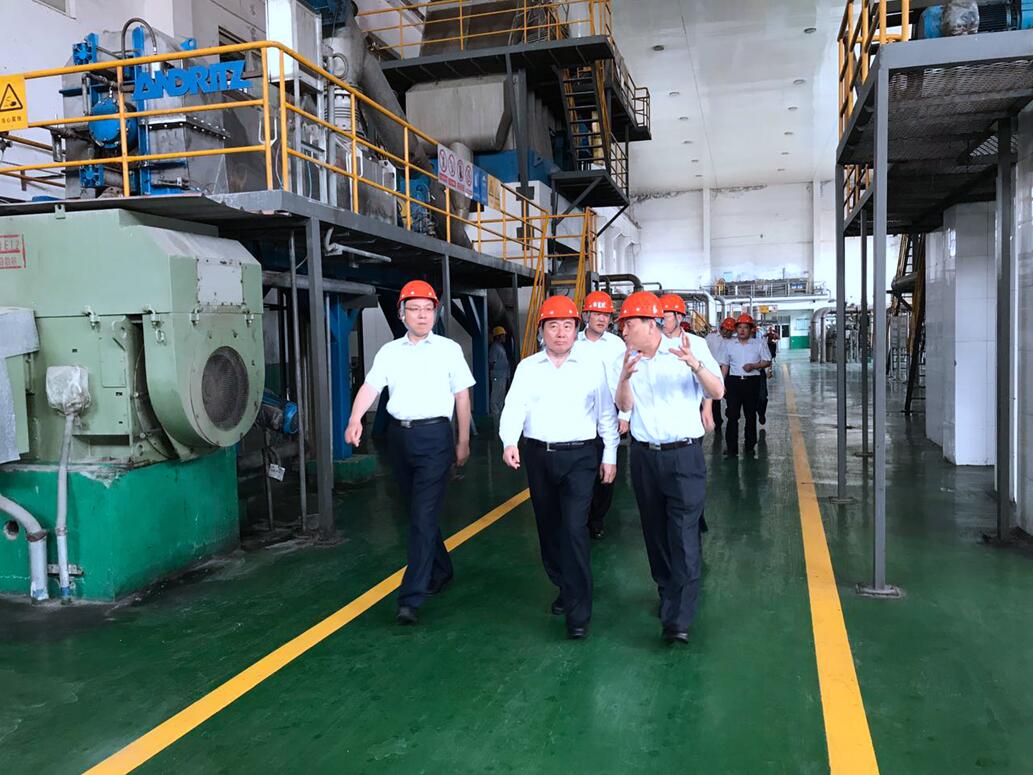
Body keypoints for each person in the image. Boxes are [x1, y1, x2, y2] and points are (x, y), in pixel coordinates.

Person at [345, 280, 475, 626]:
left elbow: (462, 396)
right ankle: (442, 569)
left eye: (428, 309)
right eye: (414, 309)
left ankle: (411, 597)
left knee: (422, 515)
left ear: (435, 313)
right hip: (399, 440)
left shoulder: (448, 350)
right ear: (402, 314)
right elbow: (370, 386)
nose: (422, 315)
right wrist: (355, 418)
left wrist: (462, 440)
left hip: (435, 438)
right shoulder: (390, 352)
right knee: (416, 512)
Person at [500, 295, 618, 640]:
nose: (561, 333)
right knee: (548, 528)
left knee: (574, 528)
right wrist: (509, 441)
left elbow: (606, 414)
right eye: (553, 326)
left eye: (567, 326)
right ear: (542, 330)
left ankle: (579, 612)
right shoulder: (528, 368)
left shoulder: (591, 367)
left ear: (576, 329)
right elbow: (514, 406)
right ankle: (564, 586)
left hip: (580, 457)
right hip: (538, 456)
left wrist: (610, 455)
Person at [613, 291, 724, 644]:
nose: (624, 331)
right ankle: (667, 592)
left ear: (651, 324)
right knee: (655, 533)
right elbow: (623, 406)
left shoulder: (689, 348)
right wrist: (624, 379)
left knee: (683, 533)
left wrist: (695, 366)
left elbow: (717, 391)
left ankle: (680, 618)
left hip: (684, 458)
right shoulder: (626, 358)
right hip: (644, 458)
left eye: (629, 324)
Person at [573, 290, 627, 540]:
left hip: (610, 412)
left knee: (607, 468)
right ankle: (581, 518)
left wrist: (625, 414)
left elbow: (626, 380)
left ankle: (597, 519)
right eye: (597, 314)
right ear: (586, 315)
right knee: (582, 467)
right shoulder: (573, 343)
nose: (602, 319)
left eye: (606, 315)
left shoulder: (617, 345)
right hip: (580, 412)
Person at [721, 313, 771, 458]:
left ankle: (750, 446)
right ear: (736, 329)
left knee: (750, 415)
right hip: (734, 382)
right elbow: (725, 365)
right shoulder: (729, 345)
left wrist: (754, 366)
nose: (742, 330)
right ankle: (731, 448)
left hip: (752, 382)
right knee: (732, 416)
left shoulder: (759, 344)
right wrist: (722, 383)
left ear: (751, 329)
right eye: (740, 327)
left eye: (746, 327)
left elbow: (767, 361)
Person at [706, 317, 735, 431]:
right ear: (722, 328)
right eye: (726, 330)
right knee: (715, 398)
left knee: (730, 396)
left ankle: (731, 413)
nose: (727, 333)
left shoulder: (734, 340)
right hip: (713, 370)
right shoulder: (711, 337)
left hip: (729, 370)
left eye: (730, 331)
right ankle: (717, 421)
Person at [488, 325, 510, 418]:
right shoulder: (495, 347)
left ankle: (499, 422)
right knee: (495, 401)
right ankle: (497, 421)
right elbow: (492, 363)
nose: (504, 337)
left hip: (501, 377)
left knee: (498, 401)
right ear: (498, 336)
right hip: (498, 377)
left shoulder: (499, 347)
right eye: (503, 335)